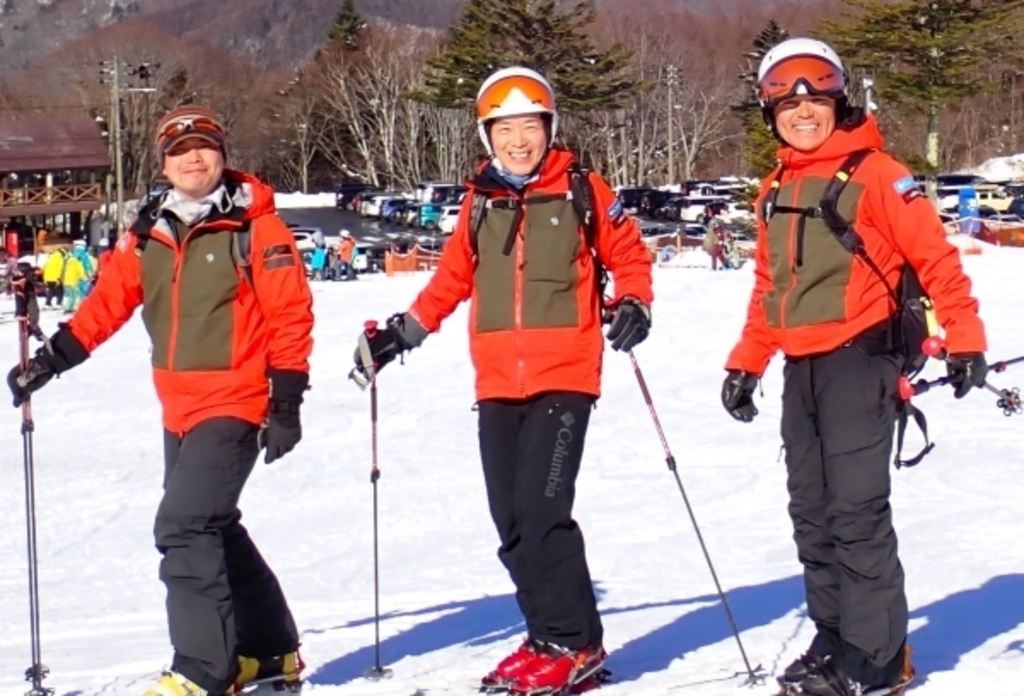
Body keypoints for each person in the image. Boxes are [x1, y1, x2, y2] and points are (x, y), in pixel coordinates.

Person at [351, 66, 654, 695]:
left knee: (544, 510)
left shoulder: (582, 188)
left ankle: (576, 645)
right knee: (510, 519)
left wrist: (634, 302)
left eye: (531, 126)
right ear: (488, 136)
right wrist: (400, 334)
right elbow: (452, 280)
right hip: (495, 380)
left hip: (565, 373)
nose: (520, 140)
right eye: (506, 129)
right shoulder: (479, 202)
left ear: (550, 128)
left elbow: (629, 256)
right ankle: (545, 634)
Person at [6, 104, 313, 696]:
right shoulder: (150, 230)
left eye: (204, 146)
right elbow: (109, 302)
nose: (193, 158)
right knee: (214, 527)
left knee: (184, 526)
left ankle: (203, 668)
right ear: (164, 163)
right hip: (178, 406)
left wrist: (287, 403)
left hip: (236, 399)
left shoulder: (255, 226)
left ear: (223, 154)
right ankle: (271, 653)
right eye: (179, 151)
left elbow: (290, 315)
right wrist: (50, 361)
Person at [721, 38, 988, 696]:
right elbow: (769, 286)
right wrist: (747, 362)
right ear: (770, 112)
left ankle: (877, 656)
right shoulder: (775, 187)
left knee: (856, 511)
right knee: (811, 511)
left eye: (816, 97)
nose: (803, 110)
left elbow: (936, 259)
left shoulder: (878, 173)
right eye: (788, 101)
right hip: (800, 368)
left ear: (838, 102)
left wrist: (965, 335)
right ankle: (836, 636)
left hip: (859, 360)